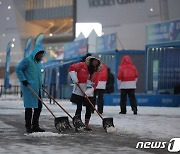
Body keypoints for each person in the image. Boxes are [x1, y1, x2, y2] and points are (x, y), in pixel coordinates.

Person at [16, 44, 46, 133]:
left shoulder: (39, 63)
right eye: (39, 54)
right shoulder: (27, 60)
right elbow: (18, 69)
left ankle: (35, 125)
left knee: (39, 107)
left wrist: (41, 84)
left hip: (38, 88)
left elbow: (38, 76)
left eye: (41, 54)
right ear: (35, 53)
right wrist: (23, 79)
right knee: (29, 107)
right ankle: (28, 126)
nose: (41, 56)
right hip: (29, 88)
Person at [68, 55, 101, 131]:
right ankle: (77, 122)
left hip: (89, 91)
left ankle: (86, 124)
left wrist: (88, 92)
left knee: (88, 108)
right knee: (79, 106)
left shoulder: (96, 71)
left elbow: (95, 83)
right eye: (94, 61)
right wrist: (75, 79)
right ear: (91, 60)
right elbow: (71, 68)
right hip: (80, 89)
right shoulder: (82, 65)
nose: (95, 63)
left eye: (97, 62)